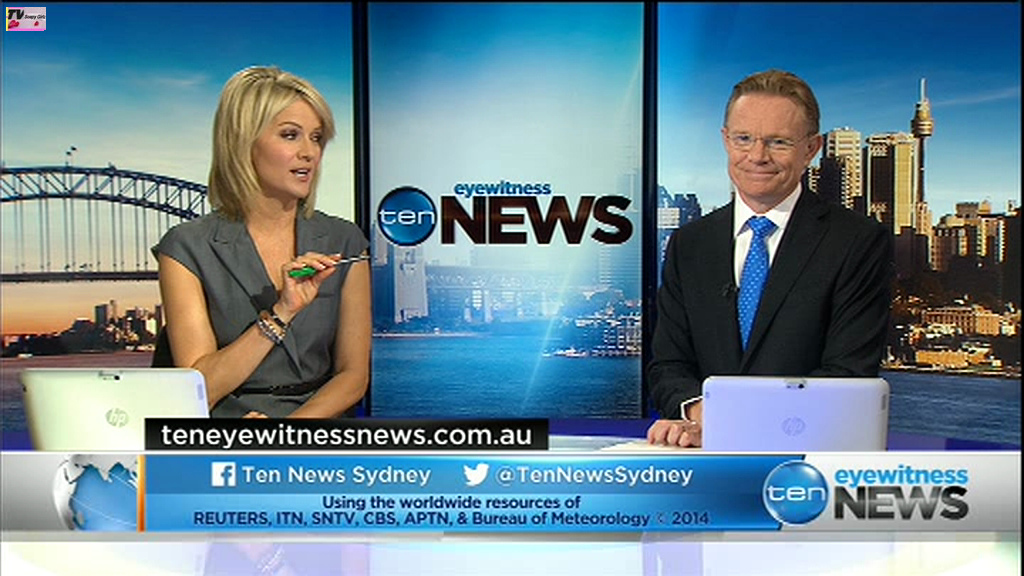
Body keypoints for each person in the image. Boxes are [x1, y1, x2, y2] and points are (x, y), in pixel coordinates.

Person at [647, 69, 894, 447]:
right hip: (704, 456)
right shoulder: (689, 244)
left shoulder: (856, 241)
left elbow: (848, 372)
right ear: (726, 140)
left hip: (808, 454)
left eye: (778, 142)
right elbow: (668, 365)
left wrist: (733, 422)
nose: (757, 156)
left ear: (811, 149)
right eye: (744, 139)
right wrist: (698, 412)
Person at [154, 66, 371, 418]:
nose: (310, 152)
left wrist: (284, 435)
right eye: (290, 135)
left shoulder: (344, 240)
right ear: (244, 143)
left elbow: (353, 377)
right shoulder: (186, 247)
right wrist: (281, 313)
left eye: (316, 138)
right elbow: (200, 389)